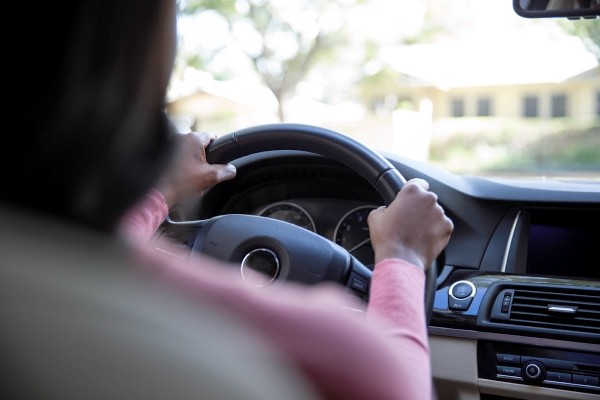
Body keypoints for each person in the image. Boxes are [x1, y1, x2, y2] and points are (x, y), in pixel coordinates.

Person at [2, 1, 453, 399]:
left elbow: (86, 248)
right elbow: (397, 381)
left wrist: (162, 191)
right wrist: (402, 255)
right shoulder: (331, 344)